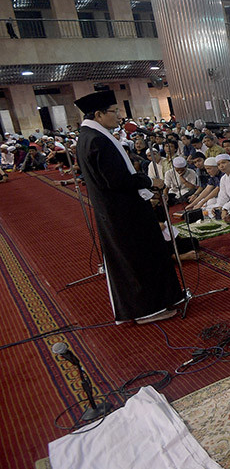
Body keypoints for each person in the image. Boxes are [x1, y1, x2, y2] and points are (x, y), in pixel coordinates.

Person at [72, 90, 182, 324]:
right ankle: (147, 309)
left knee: (139, 255)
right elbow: (118, 180)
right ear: (99, 114)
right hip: (123, 212)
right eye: (115, 112)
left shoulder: (89, 136)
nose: (119, 117)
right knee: (138, 258)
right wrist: (150, 181)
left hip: (117, 210)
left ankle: (159, 300)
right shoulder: (98, 140)